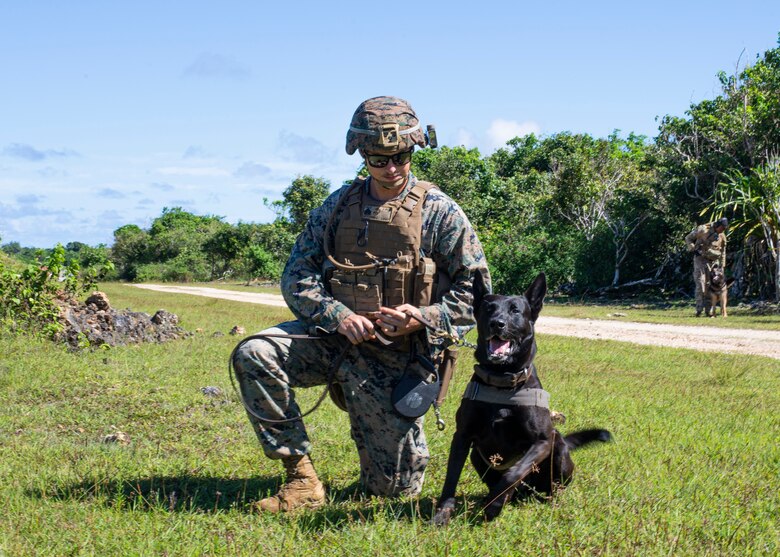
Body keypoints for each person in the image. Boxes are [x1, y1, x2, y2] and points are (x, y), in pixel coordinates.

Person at [232, 96, 491, 513]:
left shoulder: (440, 212)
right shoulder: (336, 208)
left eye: (401, 156)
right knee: (255, 353)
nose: (391, 168)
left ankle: (383, 462)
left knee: (393, 493)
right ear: (361, 154)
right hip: (333, 341)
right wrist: (337, 316)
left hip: (399, 357)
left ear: (414, 150)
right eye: (378, 158)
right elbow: (297, 275)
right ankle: (301, 479)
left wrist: (421, 318)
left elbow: (476, 292)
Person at [685, 217, 728, 316]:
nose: (722, 230)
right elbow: (688, 238)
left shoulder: (722, 235)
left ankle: (708, 311)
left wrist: (722, 265)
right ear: (717, 225)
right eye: (722, 228)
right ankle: (699, 309)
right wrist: (693, 248)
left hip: (713, 263)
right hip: (700, 260)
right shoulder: (703, 230)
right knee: (700, 283)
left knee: (710, 286)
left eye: (724, 229)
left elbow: (723, 251)